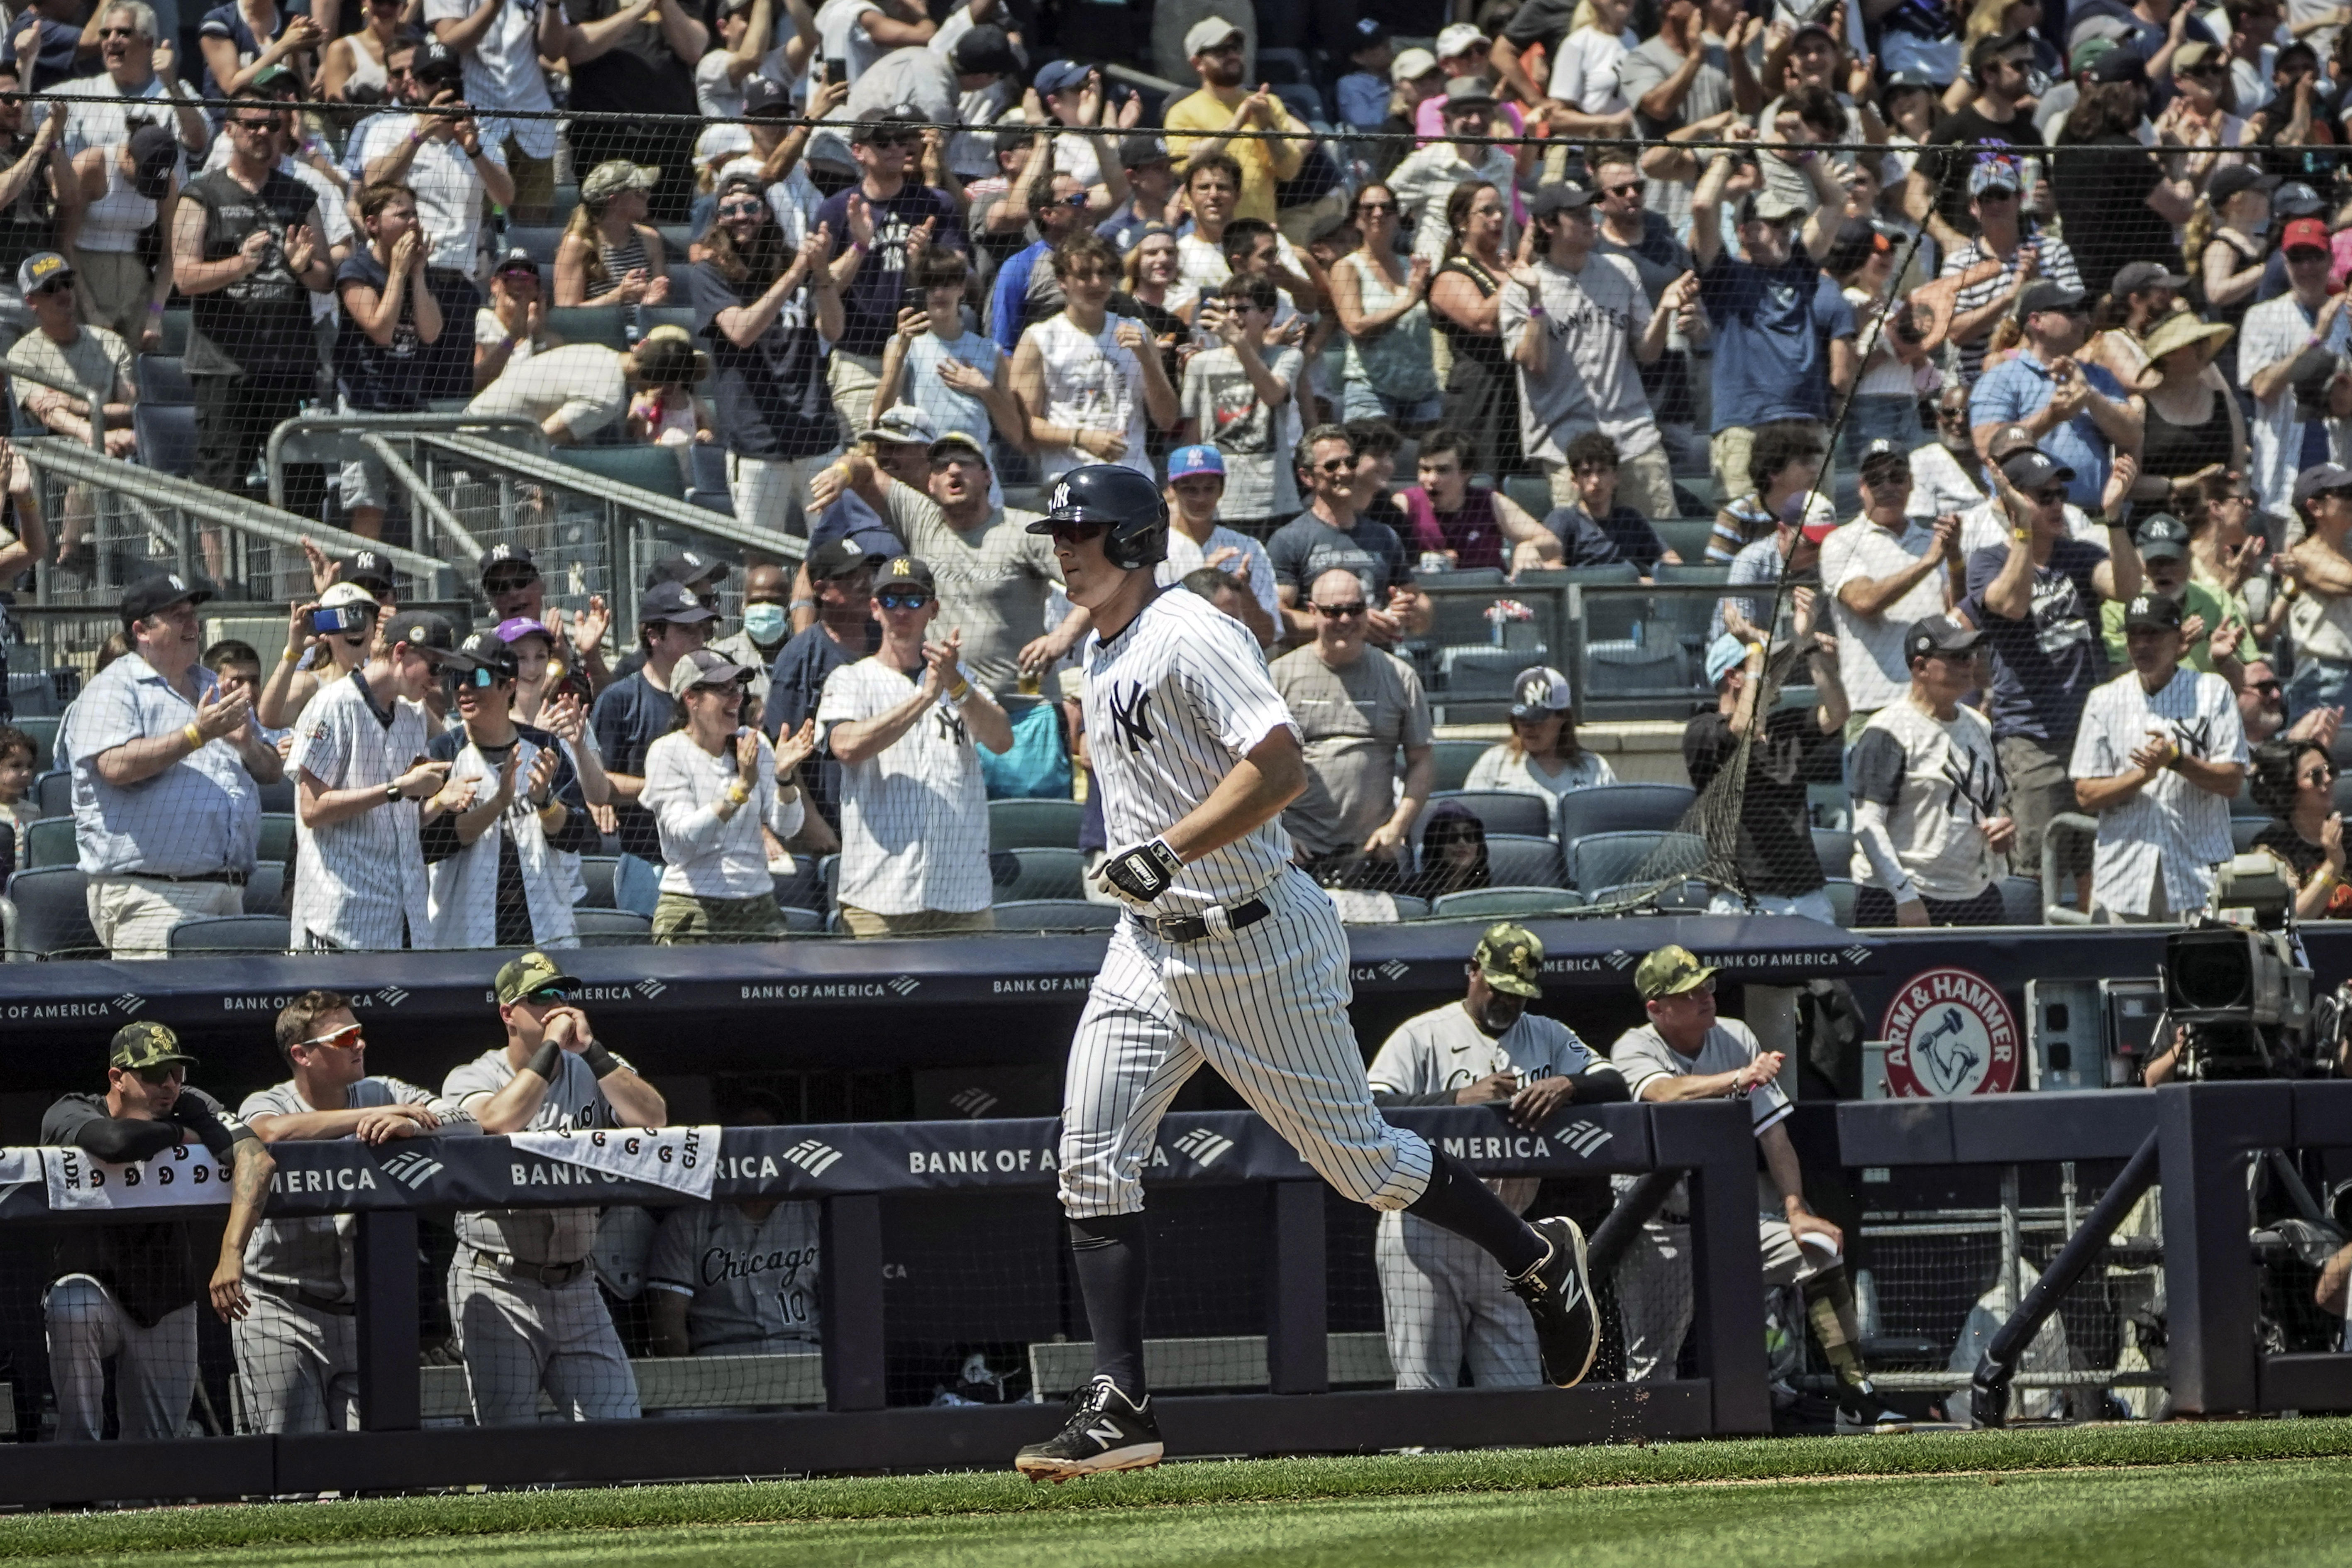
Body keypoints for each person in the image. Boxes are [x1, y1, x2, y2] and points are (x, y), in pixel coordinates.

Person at [1012, 464, 1601, 1481]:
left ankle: (1533, 1257)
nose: (1063, 546)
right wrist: (1128, 854)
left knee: (1364, 1166)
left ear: (1136, 539)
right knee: (1088, 1158)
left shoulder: (1191, 629)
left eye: (1084, 530)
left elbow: (1279, 767)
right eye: (1057, 531)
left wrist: (1173, 847)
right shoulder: (1099, 650)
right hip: (1150, 943)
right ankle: (1122, 1404)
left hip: (1253, 937)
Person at [1607, 945, 1880, 1421]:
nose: (1705, 997)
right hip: (1657, 1231)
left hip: (1723, 1221)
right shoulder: (1635, 1045)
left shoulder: (1734, 1036)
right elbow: (1663, 1093)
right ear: (1657, 1007)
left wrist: (1795, 1209)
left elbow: (1774, 1135)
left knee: (1818, 1248)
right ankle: (1642, 1457)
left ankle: (1857, 1392)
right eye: (1688, 993)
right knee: (1651, 1366)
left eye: (1706, 986)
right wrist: (1739, 1078)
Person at [1366, 924, 1629, 1390]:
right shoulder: (1422, 1033)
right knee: (1426, 1391)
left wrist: (1569, 1084)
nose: (1510, 1001)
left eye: (1521, 993)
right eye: (1501, 988)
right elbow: (1373, 1107)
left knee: (1518, 1392)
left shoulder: (1547, 1034)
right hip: (1425, 1235)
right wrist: (1457, 1099)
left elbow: (1615, 1082)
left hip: (1509, 1236)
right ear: (1473, 972)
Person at [444, 951, 667, 1426]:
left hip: (577, 1286)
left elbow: (654, 1117)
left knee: (618, 1428)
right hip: (496, 1280)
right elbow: (499, 1119)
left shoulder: (594, 1065)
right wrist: (549, 1049)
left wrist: (592, 1051)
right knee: (510, 1449)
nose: (557, 1005)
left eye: (562, 993)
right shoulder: (473, 1075)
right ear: (508, 1012)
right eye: (542, 996)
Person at [234, 991, 468, 1434]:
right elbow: (269, 1131)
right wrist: (378, 1113)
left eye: (359, 1033)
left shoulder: (385, 1089)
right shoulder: (272, 1100)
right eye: (346, 1038)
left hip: (364, 1313)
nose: (360, 1044)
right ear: (302, 1054)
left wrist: (415, 1125)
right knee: (295, 1470)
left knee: (376, 1467)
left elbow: (468, 1120)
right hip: (281, 1305)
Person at [42, 1022, 274, 1443]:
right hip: (95, 1289)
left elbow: (258, 1163)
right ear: (117, 1077)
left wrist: (231, 1253)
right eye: (154, 1073)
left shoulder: (193, 1104)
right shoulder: (72, 1109)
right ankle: (75, 1473)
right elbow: (112, 1141)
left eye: (177, 1072)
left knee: (156, 1452)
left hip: (164, 1294)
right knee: (69, 1305)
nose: (169, 1085)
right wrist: (179, 1135)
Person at [63, 573, 285, 957]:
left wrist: (247, 743)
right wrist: (197, 734)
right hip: (154, 895)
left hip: (231, 894)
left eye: (192, 614)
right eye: (177, 615)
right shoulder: (111, 689)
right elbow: (115, 766)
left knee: (225, 1017)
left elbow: (271, 771)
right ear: (142, 630)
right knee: (167, 1016)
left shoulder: (213, 685)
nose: (191, 623)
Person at [1966, 446, 2145, 888]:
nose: (2056, 504)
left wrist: (2114, 516)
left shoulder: (2079, 555)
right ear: (2014, 502)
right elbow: (2011, 603)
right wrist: (2024, 533)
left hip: (2091, 734)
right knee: (2034, 866)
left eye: (2059, 495)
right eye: (2042, 496)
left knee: (2096, 865)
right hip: (2032, 739)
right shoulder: (1987, 561)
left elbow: (2128, 588)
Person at [171, 94, 335, 552]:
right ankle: (223, 592)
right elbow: (184, 277)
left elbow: (325, 278)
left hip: (289, 365)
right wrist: (239, 267)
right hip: (224, 365)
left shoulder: (300, 196)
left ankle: (302, 586)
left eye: (272, 125)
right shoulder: (202, 194)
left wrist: (303, 266)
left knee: (302, 484)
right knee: (220, 484)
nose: (263, 133)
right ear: (230, 129)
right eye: (253, 125)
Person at [817, 555, 1010, 935]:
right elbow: (845, 747)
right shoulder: (852, 679)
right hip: (878, 897)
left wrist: (956, 686)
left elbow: (1002, 740)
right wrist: (923, 699)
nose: (900, 610)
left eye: (913, 600)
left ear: (933, 609)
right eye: (889, 600)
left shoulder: (959, 677)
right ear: (874, 609)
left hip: (962, 895)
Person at [817, 428, 1077, 704]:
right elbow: (866, 470)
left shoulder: (1023, 530)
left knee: (1028, 705)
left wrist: (1060, 639)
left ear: (987, 475)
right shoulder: (921, 520)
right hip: (951, 711)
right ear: (930, 483)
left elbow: (1096, 583)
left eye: (964, 462)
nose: (953, 471)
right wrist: (842, 472)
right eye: (941, 466)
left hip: (1026, 705)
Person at [1690, 131, 1859, 510]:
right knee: (1744, 527)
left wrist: (1806, 151)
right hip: (1746, 427)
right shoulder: (1724, 276)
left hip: (1807, 426)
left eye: (1788, 224)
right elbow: (1703, 206)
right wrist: (1727, 157)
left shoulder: (1801, 267)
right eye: (1773, 224)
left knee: (1815, 530)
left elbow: (1834, 203)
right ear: (1745, 232)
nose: (1784, 232)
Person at [1502, 183, 1688, 516]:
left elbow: (1648, 353)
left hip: (1633, 438)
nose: (1591, 222)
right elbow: (1535, 364)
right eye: (1577, 215)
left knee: (1662, 542)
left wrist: (1664, 311)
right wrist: (1535, 300)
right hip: (1567, 448)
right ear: (1548, 225)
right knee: (1583, 553)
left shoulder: (1620, 271)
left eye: (1590, 213)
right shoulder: (1521, 288)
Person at [289, 608, 465, 952]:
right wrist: (397, 789)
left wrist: (435, 803)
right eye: (435, 667)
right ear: (400, 652)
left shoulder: (414, 716)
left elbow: (401, 817)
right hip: (341, 924)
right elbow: (311, 809)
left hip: (405, 921)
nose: (437, 681)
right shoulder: (332, 704)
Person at [344, 41, 512, 399]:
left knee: (449, 397)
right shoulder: (390, 130)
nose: (443, 87)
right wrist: (418, 135)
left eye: (451, 78)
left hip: (455, 281)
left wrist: (474, 148)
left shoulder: (482, 137)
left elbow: (506, 198)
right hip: (402, 277)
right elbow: (373, 185)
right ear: (414, 85)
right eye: (432, 78)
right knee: (395, 391)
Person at [2071, 589, 2250, 921]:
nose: (2141, 645)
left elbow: (2232, 781)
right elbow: (2086, 794)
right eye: (2134, 635)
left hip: (2197, 873)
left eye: (2152, 634)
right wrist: (2143, 775)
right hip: (2124, 875)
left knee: (2197, 972)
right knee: (2127, 973)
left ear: (2179, 638)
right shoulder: (2104, 699)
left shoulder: (2212, 692)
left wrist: (2176, 761)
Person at [420, 630, 596, 950]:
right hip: (464, 926)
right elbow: (430, 845)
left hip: (540, 925)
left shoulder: (544, 747)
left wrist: (545, 803)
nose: (463, 688)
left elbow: (577, 836)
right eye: (457, 676)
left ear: (510, 686)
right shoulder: (444, 752)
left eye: (479, 676)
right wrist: (498, 803)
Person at [690, 176, 842, 535]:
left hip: (816, 433)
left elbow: (834, 330)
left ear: (767, 213)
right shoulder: (709, 274)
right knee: (763, 558)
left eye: (750, 207)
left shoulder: (795, 264)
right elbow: (741, 333)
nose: (741, 216)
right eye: (729, 210)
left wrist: (820, 272)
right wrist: (795, 274)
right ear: (718, 219)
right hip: (756, 439)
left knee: (834, 553)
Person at [1269, 567, 1434, 890]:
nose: (1345, 620)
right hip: (1296, 854)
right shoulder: (1278, 677)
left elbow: (1422, 760)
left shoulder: (1399, 676)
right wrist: (1277, 834)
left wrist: (1397, 828)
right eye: (1333, 612)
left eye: (1354, 610)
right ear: (1313, 613)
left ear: (1368, 610)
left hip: (1373, 854)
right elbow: (1251, 766)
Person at [53, 2, 203, 348]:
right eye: (106, 33)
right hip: (83, 272)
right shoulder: (93, 166)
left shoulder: (163, 178)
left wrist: (154, 312)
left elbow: (171, 252)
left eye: (123, 32)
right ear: (127, 156)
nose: (112, 40)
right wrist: (89, 310)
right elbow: (63, 243)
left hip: (136, 275)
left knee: (134, 376)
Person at [1849, 616, 2015, 926]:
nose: (1969, 664)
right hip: (1901, 898)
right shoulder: (1888, 731)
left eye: (1972, 655)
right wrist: (1904, 896)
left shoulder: (1979, 725)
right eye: (1957, 657)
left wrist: (2001, 828)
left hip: (1973, 894)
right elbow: (1866, 824)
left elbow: (1989, 802)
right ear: (1921, 667)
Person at [641, 647, 813, 942]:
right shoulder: (667, 752)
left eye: (736, 689)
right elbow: (685, 838)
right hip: (692, 906)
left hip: (758, 905)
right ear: (690, 698)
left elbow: (788, 826)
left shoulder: (753, 742)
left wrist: (784, 778)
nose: (737, 699)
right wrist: (740, 790)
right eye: (722, 690)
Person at [815, 110, 968, 441]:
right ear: (858, 151)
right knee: (865, 455)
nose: (896, 149)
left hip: (929, 353)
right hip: (860, 357)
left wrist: (925, 258)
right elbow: (826, 287)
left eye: (903, 140)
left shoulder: (936, 204)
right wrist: (859, 244)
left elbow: (962, 278)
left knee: (937, 458)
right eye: (883, 142)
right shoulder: (836, 208)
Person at [1687, 630, 1849, 919]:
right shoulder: (1703, 729)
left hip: (1805, 895)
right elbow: (1743, 729)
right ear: (1734, 677)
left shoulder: (1784, 727)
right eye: (1766, 668)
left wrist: (1810, 646)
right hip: (1742, 899)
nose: (1778, 676)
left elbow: (1837, 712)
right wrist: (1753, 651)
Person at [646, 1107, 821, 1357]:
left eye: (764, 1135)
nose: (755, 1144)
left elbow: (846, 1309)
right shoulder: (687, 1222)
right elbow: (668, 1323)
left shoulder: (813, 1216)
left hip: (803, 1352)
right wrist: (686, 1387)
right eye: (744, 1134)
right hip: (720, 1359)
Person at [1010, 232, 1179, 486]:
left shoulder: (1137, 331)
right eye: (1084, 275)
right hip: (1070, 480)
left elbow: (1167, 419)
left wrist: (1148, 360)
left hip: (1134, 478)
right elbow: (1023, 426)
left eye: (1103, 273)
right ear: (1062, 281)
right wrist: (1081, 438)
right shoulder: (1040, 338)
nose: (1096, 283)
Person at [1968, 281, 2145, 518]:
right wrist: (2052, 417)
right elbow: (1987, 447)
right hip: (2026, 520)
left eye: (2084, 313)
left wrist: (2090, 395)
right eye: (2072, 312)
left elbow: (2132, 434)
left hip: (2094, 519)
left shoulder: (2098, 377)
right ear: (2036, 321)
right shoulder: (2002, 378)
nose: (2085, 320)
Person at [1822, 440, 1961, 727]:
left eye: (1896, 477)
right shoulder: (1841, 542)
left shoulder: (1931, 541)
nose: (1887, 487)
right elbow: (1864, 602)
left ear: (1910, 483)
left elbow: (1957, 616)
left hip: (1934, 701)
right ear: (1861, 487)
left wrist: (1956, 560)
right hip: (1873, 704)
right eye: (1875, 480)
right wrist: (1926, 563)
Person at [333, 183, 442, 540]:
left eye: (414, 214)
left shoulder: (417, 269)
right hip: (366, 404)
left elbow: (430, 332)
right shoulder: (356, 270)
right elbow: (380, 330)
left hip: (410, 404)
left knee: (425, 502)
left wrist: (417, 274)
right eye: (401, 214)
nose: (412, 222)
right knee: (369, 504)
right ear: (373, 223)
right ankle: (365, 583)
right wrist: (395, 273)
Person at [589, 581, 716, 877]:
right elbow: (597, 781)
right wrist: (668, 787)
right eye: (687, 630)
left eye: (702, 629)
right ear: (654, 635)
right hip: (642, 858)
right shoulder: (619, 700)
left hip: (707, 857)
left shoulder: (714, 696)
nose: (699, 638)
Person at [1268, 424, 1431, 646]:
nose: (1344, 472)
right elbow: (1277, 618)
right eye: (1332, 466)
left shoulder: (1385, 536)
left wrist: (1407, 611)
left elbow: (1422, 611)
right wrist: (1353, 624)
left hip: (1377, 664)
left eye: (1351, 463)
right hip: (1318, 667)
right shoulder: (1289, 540)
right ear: (1307, 477)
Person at [762, 537, 877, 849]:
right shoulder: (801, 657)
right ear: (823, 590)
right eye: (853, 578)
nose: (866, 584)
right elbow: (782, 751)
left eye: (868, 575)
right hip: (833, 824)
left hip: (888, 817)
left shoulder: (888, 643)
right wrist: (814, 826)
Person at [1939, 154, 2085, 388]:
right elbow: (1955, 333)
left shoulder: (2052, 250)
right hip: (1980, 385)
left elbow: (2078, 320)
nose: (1996, 205)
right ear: (1973, 207)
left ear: (2020, 199)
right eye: (1987, 198)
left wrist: (2037, 287)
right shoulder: (1958, 264)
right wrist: (2011, 295)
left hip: (2048, 380)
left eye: (2003, 195)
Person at [2239, 216, 2352, 517]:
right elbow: (2262, 388)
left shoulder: (2347, 317)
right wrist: (2314, 339)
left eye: (2315, 256)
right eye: (2297, 258)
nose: (2306, 267)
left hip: (2343, 473)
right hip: (2283, 475)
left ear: (2330, 259)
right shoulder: (2261, 317)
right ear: (2284, 262)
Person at [1178, 273, 1304, 532]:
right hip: (1221, 501)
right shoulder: (1201, 365)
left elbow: (1273, 395)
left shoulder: (1287, 357)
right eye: (1228, 309)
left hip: (1275, 500)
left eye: (1243, 309)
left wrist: (1238, 342)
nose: (1233, 317)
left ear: (1268, 315)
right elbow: (1192, 436)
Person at [1163, 17, 1312, 229]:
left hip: (1258, 230)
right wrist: (1235, 125)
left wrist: (1267, 128)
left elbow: (1288, 171)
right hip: (1207, 231)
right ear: (1198, 63)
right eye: (1221, 50)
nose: (1232, 55)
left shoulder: (1268, 104)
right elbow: (1184, 166)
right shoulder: (1182, 112)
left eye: (1236, 48)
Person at [427, 0, 567, 222]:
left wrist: (552, 7)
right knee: (477, 219)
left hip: (533, 116)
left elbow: (554, 52)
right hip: (477, 119)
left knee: (533, 226)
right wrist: (494, 5)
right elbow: (449, 46)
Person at [466, 327, 710, 445]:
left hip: (470, 428)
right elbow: (541, 437)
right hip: (482, 448)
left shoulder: (597, 350)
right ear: (659, 386)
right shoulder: (609, 397)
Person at [1429, 181, 1525, 480]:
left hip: (1522, 390)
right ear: (1461, 221)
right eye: (1486, 211)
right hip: (1480, 397)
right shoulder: (1452, 273)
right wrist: (1519, 270)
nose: (1498, 218)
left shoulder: (1508, 267)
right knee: (1483, 483)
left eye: (1501, 210)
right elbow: (1482, 321)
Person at [1326, 182, 1440, 430]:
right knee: (1373, 465)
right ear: (1357, 219)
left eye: (1386, 208)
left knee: (1428, 466)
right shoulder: (1347, 268)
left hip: (1421, 391)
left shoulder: (1411, 266)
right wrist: (1409, 300)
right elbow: (1355, 327)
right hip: (1372, 391)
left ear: (1397, 217)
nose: (1378, 214)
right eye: (1369, 209)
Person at [6, 250, 135, 457]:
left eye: (67, 282)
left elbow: (130, 410)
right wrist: (96, 437)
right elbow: (50, 414)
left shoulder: (111, 343)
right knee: (105, 455)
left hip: (120, 439)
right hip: (57, 451)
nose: (63, 292)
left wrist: (77, 405)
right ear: (31, 302)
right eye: (50, 288)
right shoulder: (22, 355)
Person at [1386, 78, 1524, 270]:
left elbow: (1508, 226)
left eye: (1483, 112)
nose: (1476, 121)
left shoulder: (1505, 164)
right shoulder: (1426, 162)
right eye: (1467, 113)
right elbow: (1384, 208)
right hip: (1441, 279)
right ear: (1447, 121)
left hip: (1494, 278)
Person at [2126, 310, 2247, 517]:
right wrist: (2188, 485)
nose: (2204, 346)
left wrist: (2233, 501)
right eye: (2194, 342)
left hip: (2216, 524)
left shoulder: (2225, 403)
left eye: (2203, 340)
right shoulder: (2140, 407)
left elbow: (2240, 473)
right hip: (2157, 528)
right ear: (2168, 355)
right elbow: (2131, 485)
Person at [1157, 445, 1278, 646]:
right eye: (1190, 490)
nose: (1201, 498)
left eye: (1209, 488)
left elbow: (1267, 637)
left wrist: (1244, 591)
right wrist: (1203, 580)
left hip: (1238, 655)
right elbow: (1156, 629)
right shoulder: (1156, 550)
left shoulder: (1248, 547)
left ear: (1221, 490)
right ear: (1172, 490)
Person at [1399, 428, 1561, 573]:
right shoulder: (1406, 504)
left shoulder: (1489, 503)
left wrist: (1529, 547)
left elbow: (1552, 543)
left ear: (1466, 473)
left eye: (1443, 471)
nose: (1431, 479)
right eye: (1425, 470)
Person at [2098, 512, 2238, 674]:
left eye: (2172, 561)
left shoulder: (2216, 600)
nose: (2163, 571)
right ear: (2138, 563)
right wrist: (2170, 654)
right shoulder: (2118, 607)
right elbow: (2114, 677)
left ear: (2190, 559)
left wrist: (2223, 661)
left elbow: (2250, 669)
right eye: (2154, 562)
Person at [1465, 666, 1616, 801]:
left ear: (1563, 717)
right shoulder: (1494, 763)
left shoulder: (1594, 769)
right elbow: (1468, 822)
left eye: (1539, 719)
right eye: (1523, 719)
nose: (1530, 727)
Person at [1539, 431, 1679, 573]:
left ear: (1616, 478)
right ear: (1575, 481)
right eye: (1587, 473)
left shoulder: (1630, 519)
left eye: (1602, 472)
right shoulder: (1563, 519)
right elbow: (1550, 569)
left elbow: (1672, 561)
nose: (1595, 481)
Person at [2247, 738, 2352, 917]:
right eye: (2316, 775)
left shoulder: (2349, 837)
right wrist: (2333, 865)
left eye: (2330, 771)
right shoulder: (2272, 849)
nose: (2328, 780)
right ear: (2289, 787)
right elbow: (2293, 918)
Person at [554, 159, 669, 310]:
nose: (648, 196)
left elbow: (662, 300)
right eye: (639, 192)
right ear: (614, 201)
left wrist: (653, 301)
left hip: (646, 330)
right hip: (598, 332)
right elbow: (567, 312)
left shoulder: (650, 238)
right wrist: (617, 296)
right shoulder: (577, 244)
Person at [708, 562, 796, 727]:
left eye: (773, 602)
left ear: (788, 607)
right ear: (744, 606)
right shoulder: (720, 658)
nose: (764, 609)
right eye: (756, 601)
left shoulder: (804, 655)